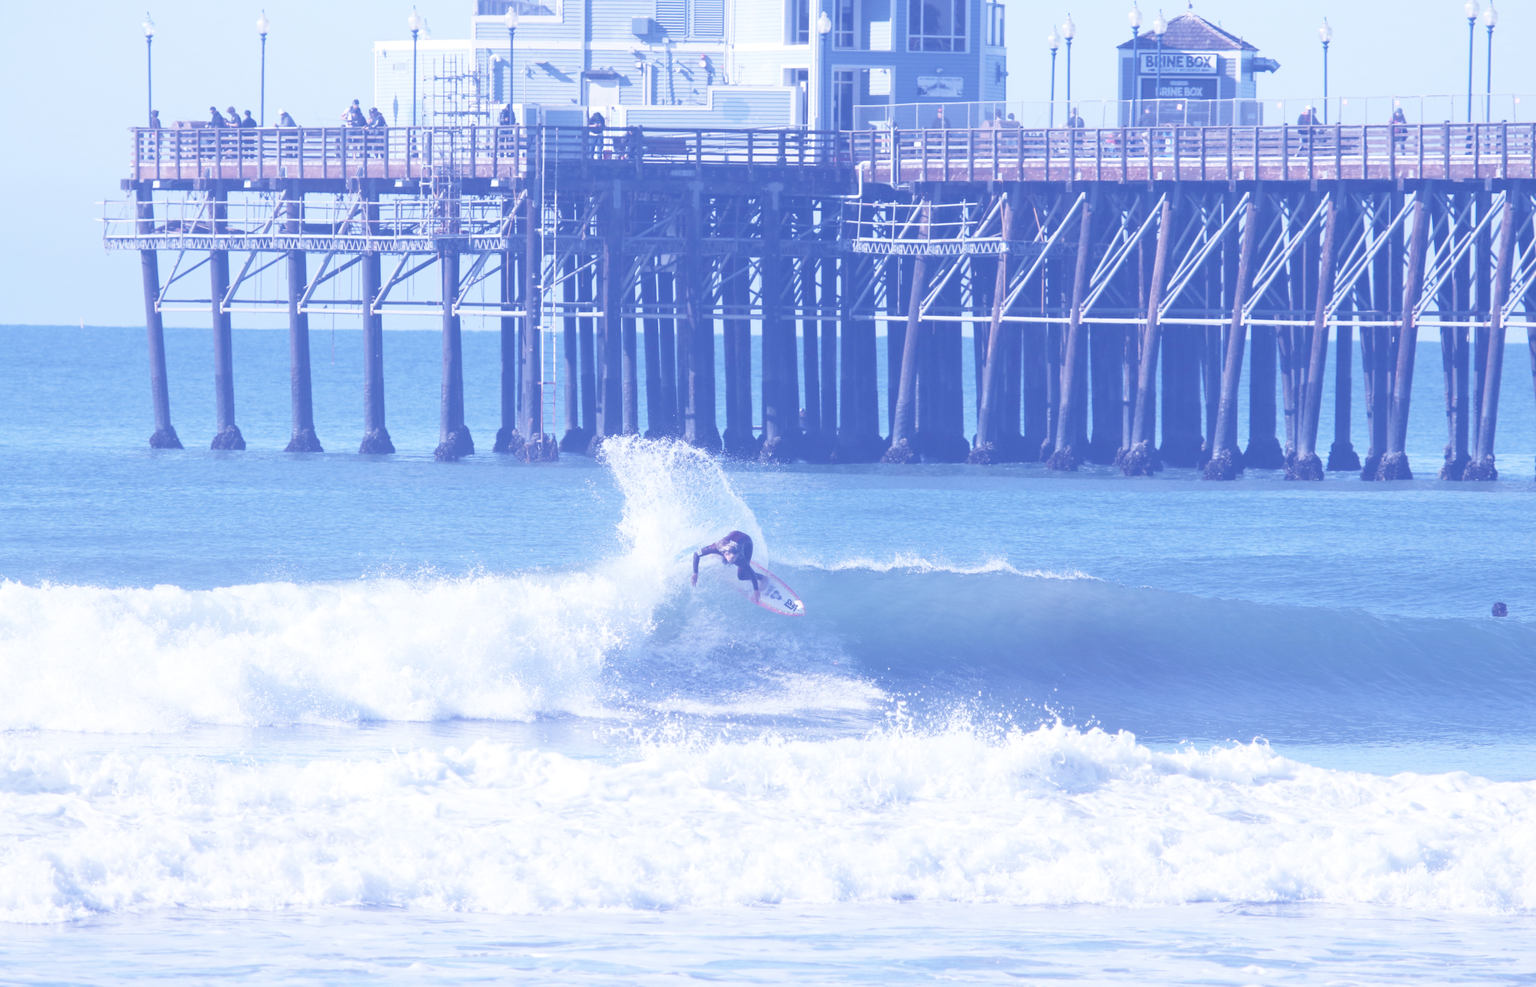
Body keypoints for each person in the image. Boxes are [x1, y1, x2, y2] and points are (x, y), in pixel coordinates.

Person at [691, 530, 764, 602]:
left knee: (741, 576)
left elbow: (751, 573)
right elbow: (696, 554)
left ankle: (763, 578)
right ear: (725, 554)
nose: (734, 560)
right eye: (732, 558)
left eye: (735, 558)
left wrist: (756, 590)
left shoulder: (739, 559)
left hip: (747, 542)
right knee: (725, 562)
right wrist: (695, 573)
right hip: (734, 536)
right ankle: (720, 557)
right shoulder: (716, 547)